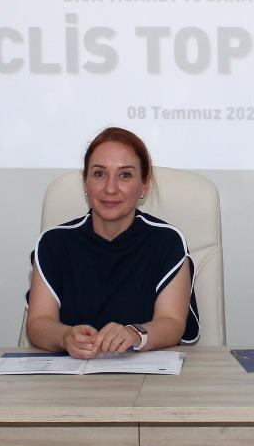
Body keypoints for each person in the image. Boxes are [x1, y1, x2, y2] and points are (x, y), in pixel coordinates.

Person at [25, 127, 197, 358]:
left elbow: (172, 323)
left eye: (125, 175)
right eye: (99, 174)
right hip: (71, 374)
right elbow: (38, 323)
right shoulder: (53, 243)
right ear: (85, 182)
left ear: (144, 185)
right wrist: (65, 336)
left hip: (145, 374)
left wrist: (135, 335)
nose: (110, 188)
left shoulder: (167, 241)